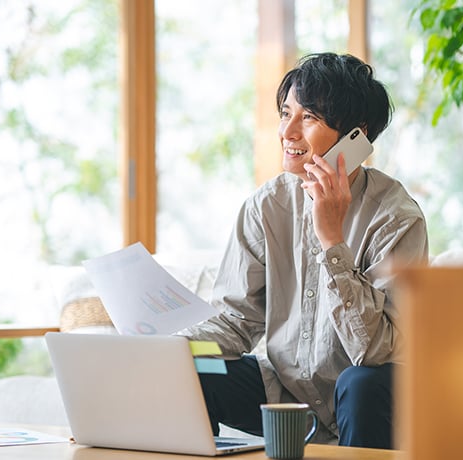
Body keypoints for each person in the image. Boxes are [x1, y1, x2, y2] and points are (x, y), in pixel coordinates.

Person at [180, 52, 428, 449]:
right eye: (285, 113)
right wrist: (170, 350)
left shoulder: (396, 218)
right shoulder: (266, 206)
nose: (287, 131)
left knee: (361, 383)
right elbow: (236, 323)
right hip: (285, 398)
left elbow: (376, 352)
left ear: (356, 136)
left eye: (308, 117)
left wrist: (332, 242)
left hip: (369, 400)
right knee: (192, 370)